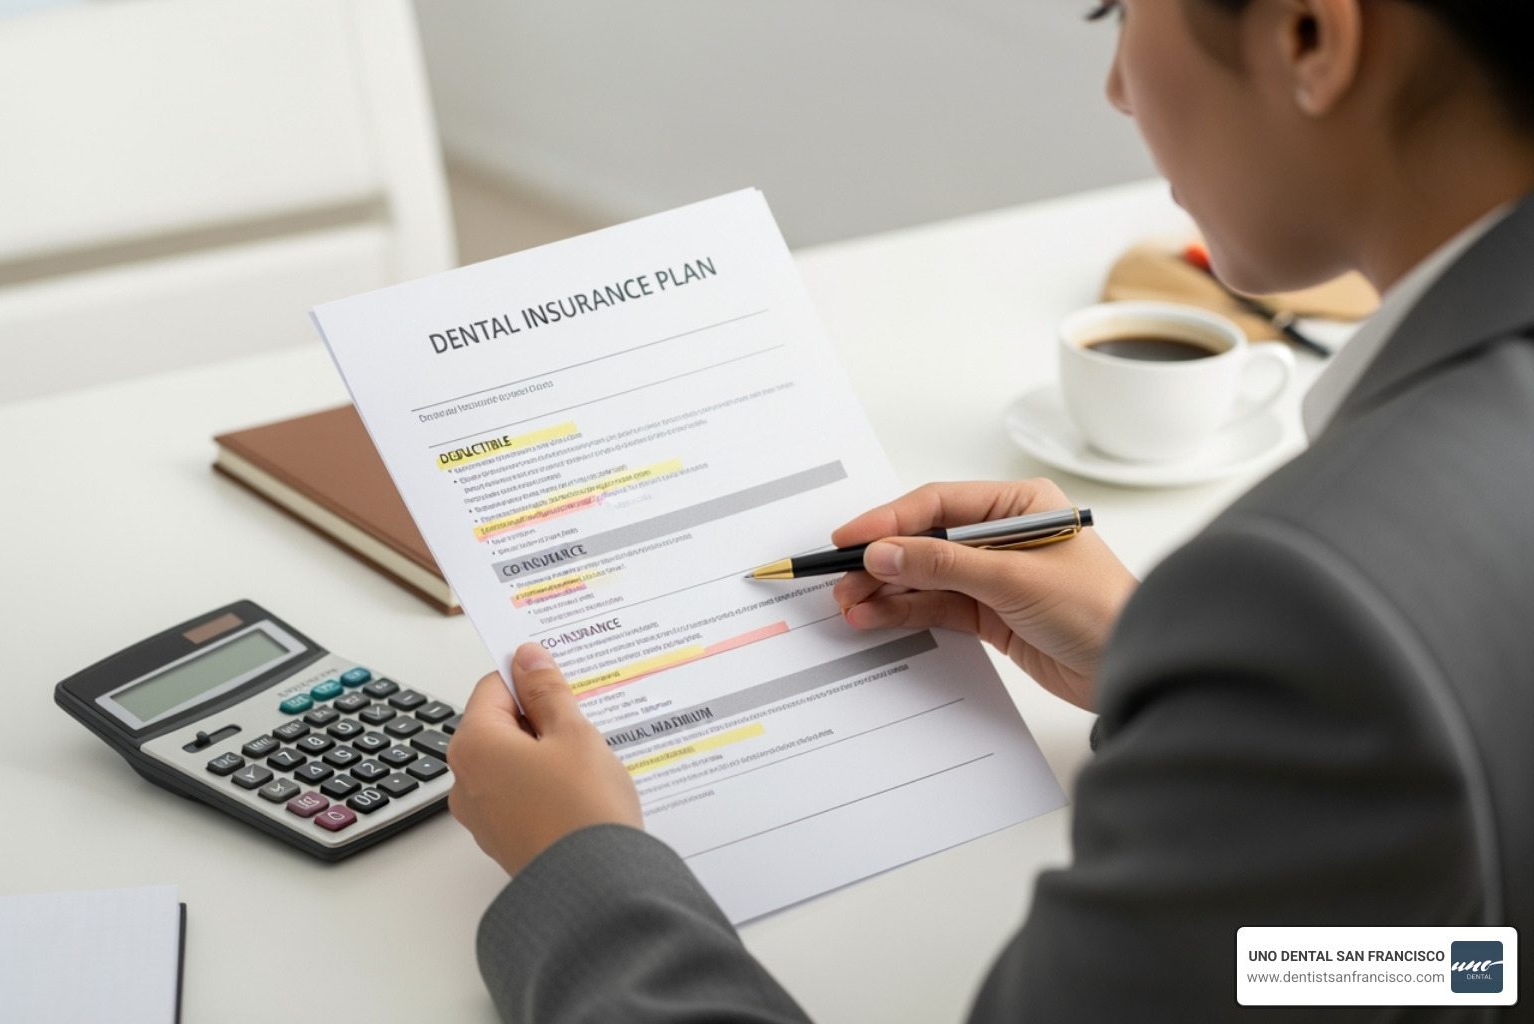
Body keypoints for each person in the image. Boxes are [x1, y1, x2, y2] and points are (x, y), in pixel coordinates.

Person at [446, 0, 1534, 1018]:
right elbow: (1478, 959)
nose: (1117, 87)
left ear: (1310, 35)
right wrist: (1192, 702)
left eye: (1118, 9)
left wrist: (579, 877)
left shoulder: (1317, 598)